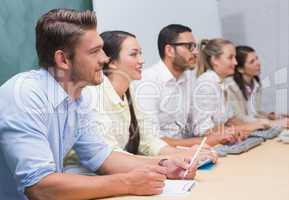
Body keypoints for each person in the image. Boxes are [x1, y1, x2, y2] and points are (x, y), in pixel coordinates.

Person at [0, 9, 197, 200]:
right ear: (63, 59)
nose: (104, 58)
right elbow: (40, 188)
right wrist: (127, 183)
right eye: (95, 51)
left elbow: (103, 157)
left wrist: (164, 165)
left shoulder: (78, 97)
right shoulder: (24, 95)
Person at [78, 30, 216, 160]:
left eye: (140, 53)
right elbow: (110, 155)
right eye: (134, 54)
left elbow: (148, 140)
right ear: (112, 62)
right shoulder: (93, 94)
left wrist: (184, 153)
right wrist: (172, 159)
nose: (141, 60)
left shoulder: (128, 92)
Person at [134, 24, 234, 147]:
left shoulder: (189, 80)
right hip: (162, 157)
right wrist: (205, 141)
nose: (196, 52)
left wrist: (225, 133)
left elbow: (198, 127)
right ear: (170, 50)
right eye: (190, 47)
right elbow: (152, 141)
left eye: (195, 47)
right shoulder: (147, 82)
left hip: (186, 153)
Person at [191, 39, 269, 142]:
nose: (235, 62)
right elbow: (204, 131)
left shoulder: (221, 83)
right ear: (215, 60)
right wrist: (246, 128)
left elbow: (230, 120)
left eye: (235, 58)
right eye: (230, 58)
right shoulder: (206, 85)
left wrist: (256, 125)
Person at [225, 45, 289, 129]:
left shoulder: (255, 83)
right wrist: (272, 123)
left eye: (257, 58)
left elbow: (253, 113)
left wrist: (270, 116)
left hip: (251, 128)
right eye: (252, 61)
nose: (258, 63)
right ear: (240, 69)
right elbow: (238, 118)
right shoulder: (230, 86)